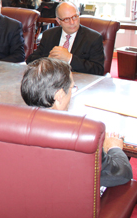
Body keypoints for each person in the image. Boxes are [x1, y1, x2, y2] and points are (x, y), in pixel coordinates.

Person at [21, 57, 132, 188]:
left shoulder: (9, 124)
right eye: (72, 87)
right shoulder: (81, 135)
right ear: (59, 95)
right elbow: (122, 174)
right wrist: (114, 148)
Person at [26, 1, 104, 75]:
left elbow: (98, 70)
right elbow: (30, 60)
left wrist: (69, 58)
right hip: (51, 80)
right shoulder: (49, 35)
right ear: (58, 21)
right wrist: (48, 60)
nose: (72, 22)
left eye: (75, 17)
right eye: (66, 19)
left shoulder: (93, 38)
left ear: (79, 14)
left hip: (78, 81)